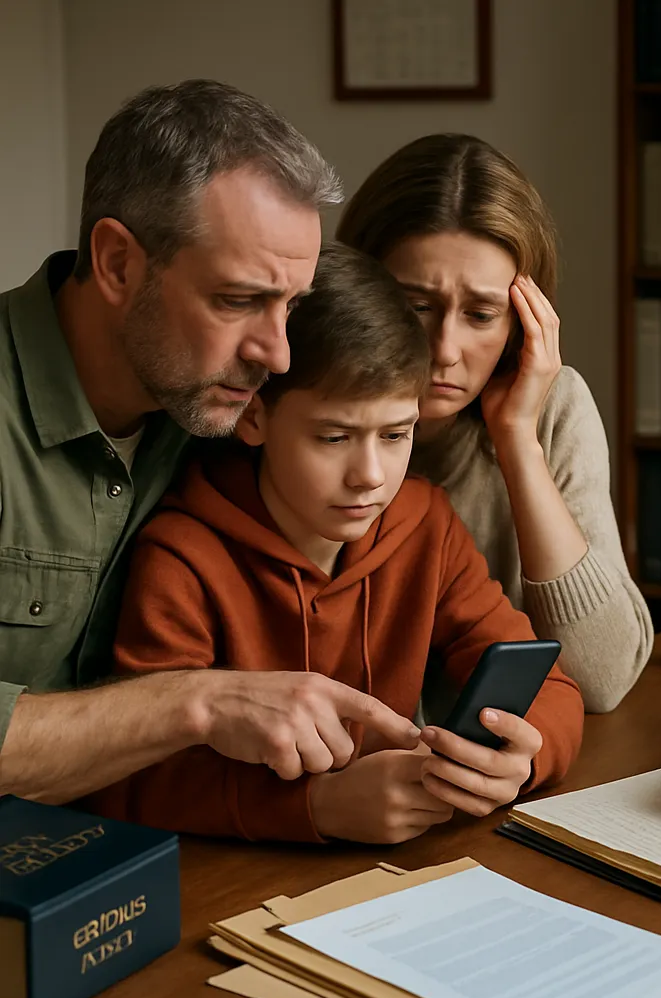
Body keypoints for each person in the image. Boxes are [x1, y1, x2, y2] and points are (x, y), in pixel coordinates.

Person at [0, 80, 422, 807]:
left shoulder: (216, 408)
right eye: (238, 301)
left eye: (290, 305)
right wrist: (199, 703)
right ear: (117, 263)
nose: (279, 353)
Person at [83, 243, 585, 844]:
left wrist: (522, 758)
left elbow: (551, 689)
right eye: (334, 437)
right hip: (233, 881)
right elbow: (132, 778)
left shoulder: (427, 523)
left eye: (397, 434)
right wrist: (316, 806)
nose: (369, 474)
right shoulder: (181, 555)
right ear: (254, 418)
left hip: (406, 875)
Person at [336, 134, 653, 715]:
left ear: (523, 323)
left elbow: (602, 680)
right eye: (416, 306)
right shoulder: (298, 411)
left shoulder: (552, 407)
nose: (445, 349)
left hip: (499, 763)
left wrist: (517, 443)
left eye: (481, 315)